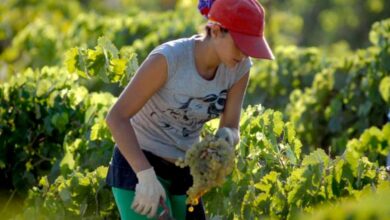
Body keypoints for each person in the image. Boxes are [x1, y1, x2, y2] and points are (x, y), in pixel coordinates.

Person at [105, 0, 274, 219]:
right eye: (240, 44)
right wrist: (145, 175)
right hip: (138, 163)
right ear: (215, 30)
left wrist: (226, 137)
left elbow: (232, 126)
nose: (244, 54)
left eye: (250, 47)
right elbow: (116, 118)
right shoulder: (169, 59)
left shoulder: (240, 68)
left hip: (185, 170)